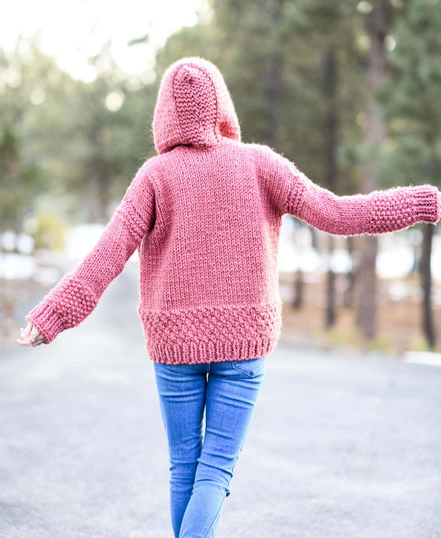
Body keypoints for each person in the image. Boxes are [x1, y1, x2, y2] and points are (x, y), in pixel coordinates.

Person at [18, 57, 441, 537]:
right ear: (221, 104)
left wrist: (51, 317)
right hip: (245, 342)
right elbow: (338, 213)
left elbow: (108, 254)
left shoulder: (155, 176)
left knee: (184, 466)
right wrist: (426, 200)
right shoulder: (261, 164)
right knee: (215, 470)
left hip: (174, 343)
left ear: (164, 115)